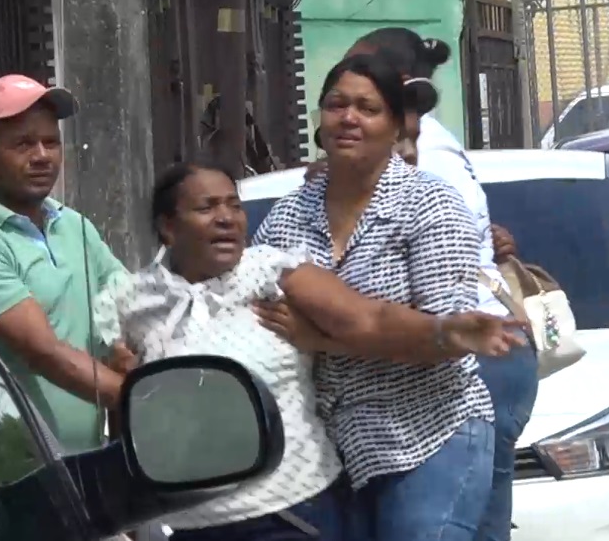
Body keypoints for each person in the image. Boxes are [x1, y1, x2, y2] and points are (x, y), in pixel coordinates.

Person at [92, 159, 520, 541]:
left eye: (234, 206)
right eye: (207, 208)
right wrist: (129, 511)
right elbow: (126, 411)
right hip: (190, 526)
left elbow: (367, 320)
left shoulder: (273, 272)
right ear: (169, 226)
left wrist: (444, 329)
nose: (226, 219)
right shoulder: (133, 303)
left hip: (294, 515)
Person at [254, 54, 496, 541]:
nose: (349, 118)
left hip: (428, 436)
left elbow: (445, 340)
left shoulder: (431, 204)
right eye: (336, 105)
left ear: (394, 128)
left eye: (368, 108)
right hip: (328, 456)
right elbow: (255, 316)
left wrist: (319, 338)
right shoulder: (287, 216)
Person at [344, 27, 540, 541]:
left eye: (361, 79)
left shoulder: (427, 161)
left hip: (476, 355)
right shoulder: (405, 154)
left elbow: (428, 306)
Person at [0, 74, 127, 452]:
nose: (41, 156)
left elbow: (125, 302)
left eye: (51, 142)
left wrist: (124, 347)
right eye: (23, 143)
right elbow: (45, 353)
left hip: (82, 463)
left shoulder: (74, 227)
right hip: (10, 472)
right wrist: (144, 395)